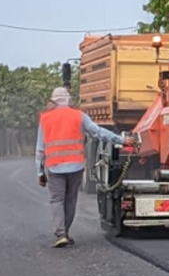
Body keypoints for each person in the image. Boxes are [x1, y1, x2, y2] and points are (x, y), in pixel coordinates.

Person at [35, 86, 134, 248]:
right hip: (76, 166)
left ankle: (60, 234)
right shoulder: (79, 116)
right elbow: (98, 132)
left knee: (57, 200)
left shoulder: (45, 119)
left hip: (55, 167)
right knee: (71, 200)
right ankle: (65, 232)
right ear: (68, 101)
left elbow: (40, 148)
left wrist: (40, 172)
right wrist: (122, 140)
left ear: (53, 102)